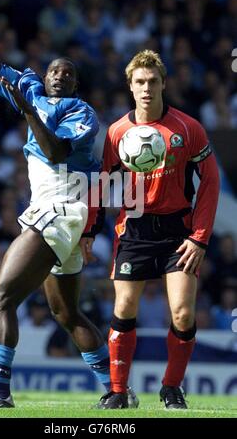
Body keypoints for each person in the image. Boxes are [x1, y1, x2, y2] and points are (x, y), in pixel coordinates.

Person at [0, 0, 139, 408]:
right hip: (60, 213)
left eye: (67, 73)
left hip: (63, 209)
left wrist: (28, 111)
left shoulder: (80, 112)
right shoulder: (31, 89)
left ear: (75, 83)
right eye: (54, 71)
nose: (58, 76)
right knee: (66, 314)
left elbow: (54, 153)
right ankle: (118, 391)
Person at [84, 49, 220, 409]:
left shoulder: (188, 128)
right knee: (125, 305)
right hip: (135, 229)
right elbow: (101, 184)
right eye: (139, 82)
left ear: (164, 84)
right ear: (130, 86)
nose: (147, 88)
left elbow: (210, 181)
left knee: (183, 313)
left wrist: (201, 237)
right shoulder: (117, 132)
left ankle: (171, 388)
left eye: (153, 81)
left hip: (179, 231)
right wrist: (88, 231)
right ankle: (117, 391)